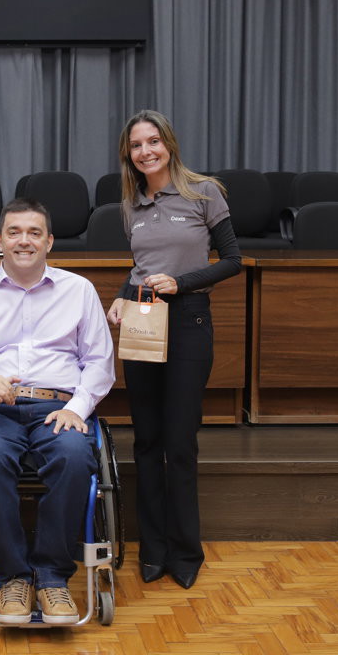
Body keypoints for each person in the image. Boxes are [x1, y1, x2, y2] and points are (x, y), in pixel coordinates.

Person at [0, 197, 114, 624]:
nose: (24, 240)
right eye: (14, 232)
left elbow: (100, 361)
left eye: (34, 232)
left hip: (59, 407)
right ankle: (14, 578)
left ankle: (52, 578)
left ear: (50, 241)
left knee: (74, 458)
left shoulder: (80, 290)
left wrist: (78, 406)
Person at [106, 110, 242, 589]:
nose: (146, 151)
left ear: (168, 144)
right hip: (143, 323)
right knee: (146, 441)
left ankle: (186, 551)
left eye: (153, 142)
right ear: (129, 155)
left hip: (188, 322)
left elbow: (232, 261)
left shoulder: (204, 192)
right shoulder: (131, 204)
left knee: (179, 444)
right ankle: (154, 548)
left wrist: (180, 284)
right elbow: (143, 267)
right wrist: (124, 294)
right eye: (137, 145)